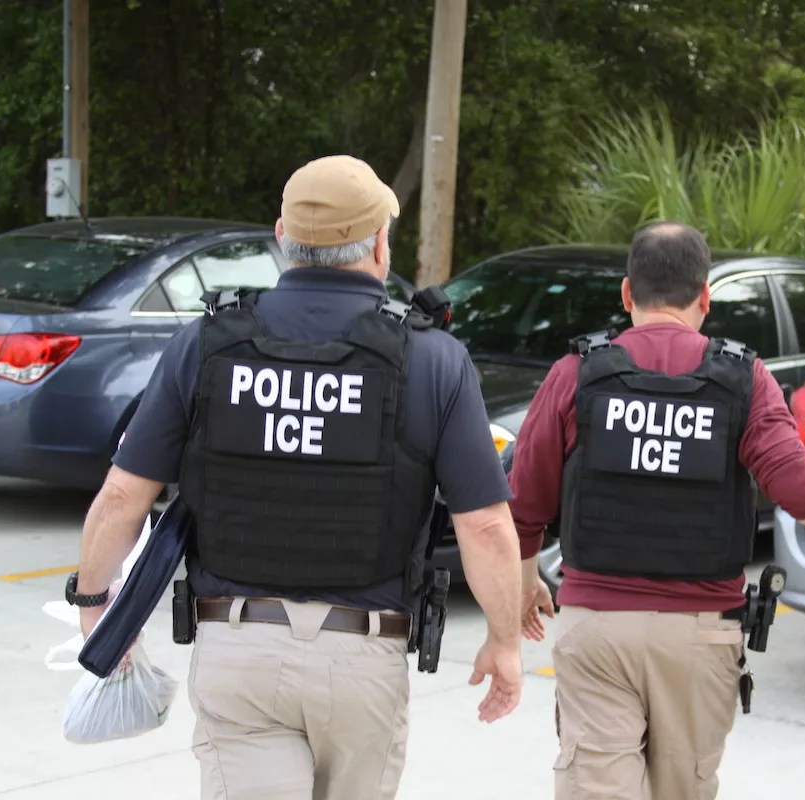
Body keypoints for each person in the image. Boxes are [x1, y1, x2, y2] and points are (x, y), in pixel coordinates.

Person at [69, 155, 525, 800]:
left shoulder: (207, 343)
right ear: (380, 245)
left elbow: (122, 495)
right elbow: (482, 523)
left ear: (282, 236)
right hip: (361, 656)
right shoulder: (432, 358)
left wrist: (96, 610)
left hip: (236, 648)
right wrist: (504, 642)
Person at [512, 221, 805, 800]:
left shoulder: (577, 372)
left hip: (598, 628)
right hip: (701, 634)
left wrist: (525, 577)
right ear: (705, 297)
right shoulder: (745, 378)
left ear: (627, 294)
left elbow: (525, 501)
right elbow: (801, 491)